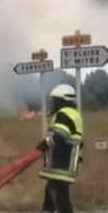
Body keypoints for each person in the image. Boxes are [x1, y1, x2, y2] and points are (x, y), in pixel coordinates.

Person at [35, 84, 84, 213]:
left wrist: (45, 144)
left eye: (55, 100)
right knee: (50, 203)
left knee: (61, 203)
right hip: (60, 167)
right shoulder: (72, 114)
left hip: (61, 167)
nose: (54, 103)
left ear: (61, 100)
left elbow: (60, 136)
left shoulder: (65, 114)